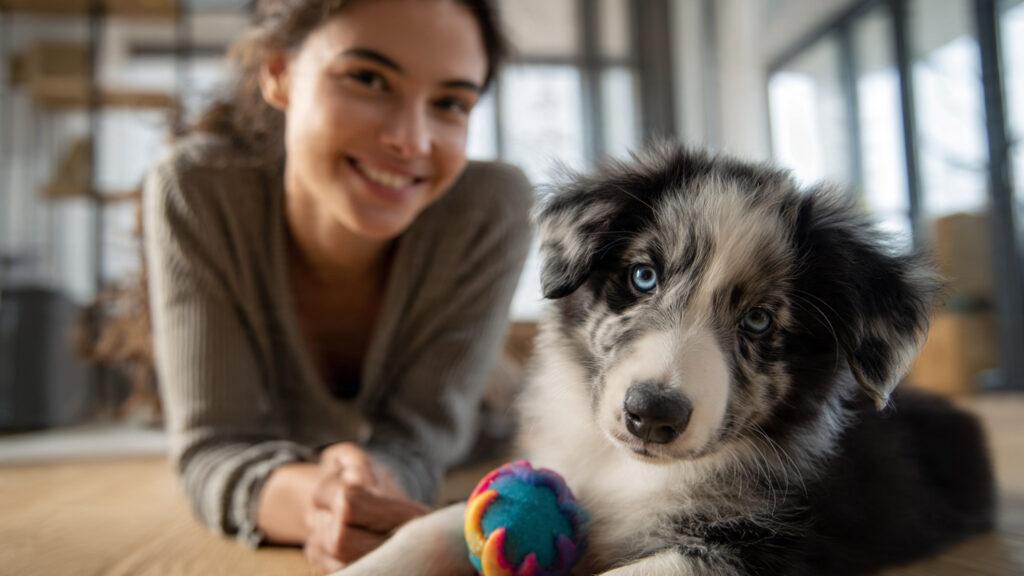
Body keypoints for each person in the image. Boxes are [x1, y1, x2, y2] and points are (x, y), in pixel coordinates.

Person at [141, 0, 532, 571]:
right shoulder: (201, 191)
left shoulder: (489, 208)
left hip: (476, 441)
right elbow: (216, 446)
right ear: (279, 73)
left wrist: (369, 492)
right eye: (368, 78)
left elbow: (421, 438)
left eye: (449, 103)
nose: (410, 140)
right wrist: (323, 507)